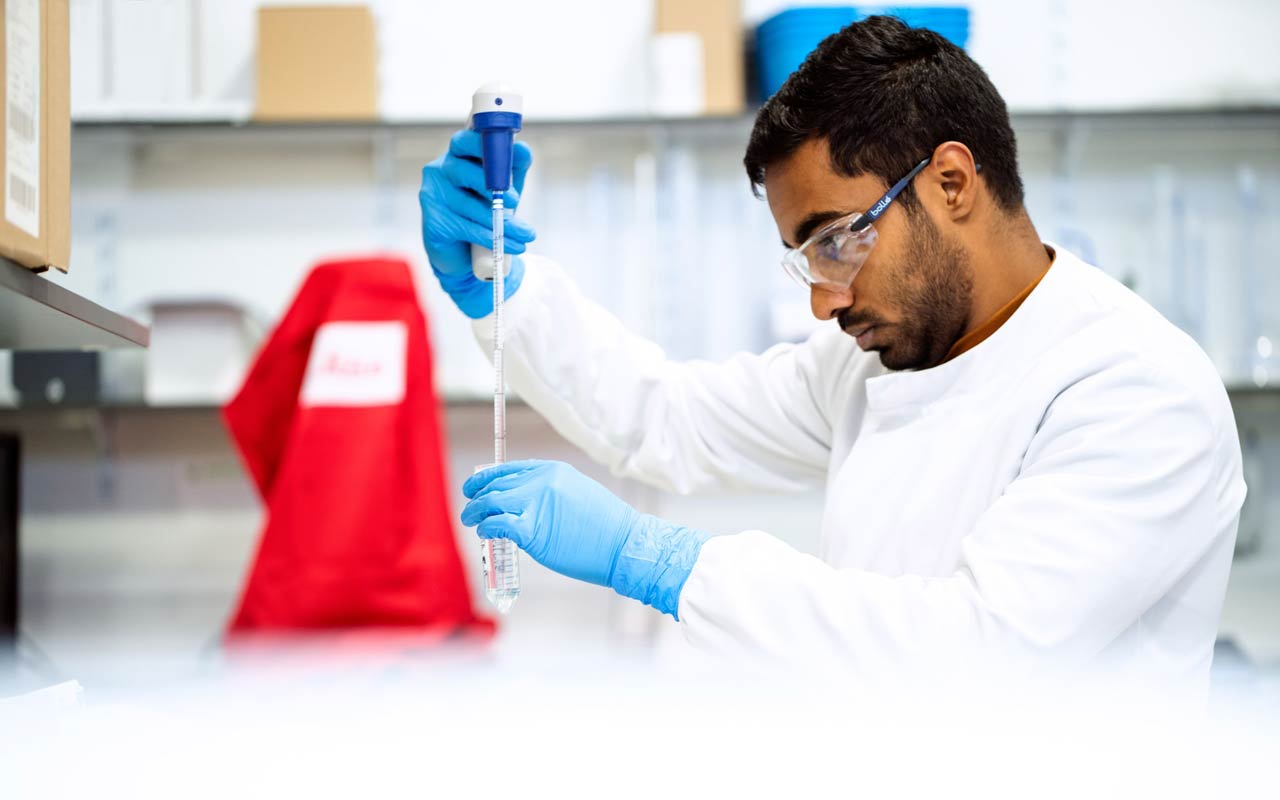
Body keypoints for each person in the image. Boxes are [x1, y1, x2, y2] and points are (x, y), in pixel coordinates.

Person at [418, 17, 1244, 689]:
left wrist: (661, 562)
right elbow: (668, 417)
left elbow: (979, 655)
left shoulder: (1136, 389)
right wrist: (504, 290)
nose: (823, 300)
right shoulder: (877, 362)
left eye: (837, 242)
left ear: (951, 183)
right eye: (804, 258)